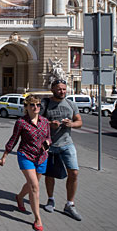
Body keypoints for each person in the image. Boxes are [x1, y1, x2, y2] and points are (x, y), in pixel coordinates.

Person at [0, 94, 51, 231]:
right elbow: (14, 139)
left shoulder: (45, 121)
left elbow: (49, 137)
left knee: (32, 184)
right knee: (34, 187)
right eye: (32, 105)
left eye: (38, 105)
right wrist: (5, 155)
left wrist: (47, 143)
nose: (36, 107)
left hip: (41, 157)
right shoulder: (21, 122)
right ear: (26, 107)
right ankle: (38, 218)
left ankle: (20, 197)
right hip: (25, 155)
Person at [42, 79, 83, 221]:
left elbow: (79, 121)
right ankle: (50, 199)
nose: (62, 92)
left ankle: (70, 204)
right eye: (59, 89)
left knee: (74, 172)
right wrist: (49, 124)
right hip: (50, 145)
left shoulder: (71, 104)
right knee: (50, 174)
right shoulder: (45, 104)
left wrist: (71, 124)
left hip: (67, 144)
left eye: (64, 89)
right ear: (52, 89)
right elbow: (37, 121)